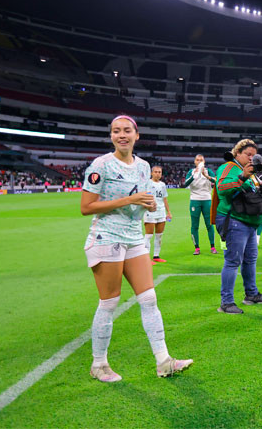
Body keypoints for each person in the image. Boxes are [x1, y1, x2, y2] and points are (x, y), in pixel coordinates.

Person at [81, 115, 192, 382]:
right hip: (107, 237)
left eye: (127, 130)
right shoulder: (101, 165)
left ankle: (164, 361)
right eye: (116, 131)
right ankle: (99, 364)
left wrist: (148, 205)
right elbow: (86, 207)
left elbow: (141, 201)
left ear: (136, 135)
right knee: (109, 302)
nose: (122, 135)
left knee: (149, 299)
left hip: (134, 237)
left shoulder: (143, 167)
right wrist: (129, 199)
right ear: (111, 136)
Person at [214, 139, 262, 315]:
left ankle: (251, 294)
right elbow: (222, 188)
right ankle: (226, 302)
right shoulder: (230, 168)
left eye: (253, 156)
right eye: (248, 154)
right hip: (234, 219)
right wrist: (243, 177)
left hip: (248, 221)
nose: (250, 158)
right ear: (237, 153)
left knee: (250, 259)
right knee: (232, 261)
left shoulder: (250, 171)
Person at [183, 154, 218, 255]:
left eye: (201, 160)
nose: (199, 162)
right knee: (195, 225)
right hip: (195, 200)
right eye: (197, 160)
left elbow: (216, 181)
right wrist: (194, 176)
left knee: (209, 224)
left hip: (207, 199)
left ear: (204, 161)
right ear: (195, 162)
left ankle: (212, 246)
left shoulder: (208, 171)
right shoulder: (191, 172)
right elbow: (185, 184)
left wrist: (206, 176)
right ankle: (197, 248)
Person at [144, 166, 172, 265]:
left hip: (161, 211)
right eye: (155, 172)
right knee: (148, 235)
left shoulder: (163, 184)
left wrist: (169, 212)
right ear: (152, 173)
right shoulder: (147, 183)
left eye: (159, 172)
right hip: (150, 211)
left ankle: (156, 256)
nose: (157, 174)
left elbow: (165, 199)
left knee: (159, 235)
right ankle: (146, 258)